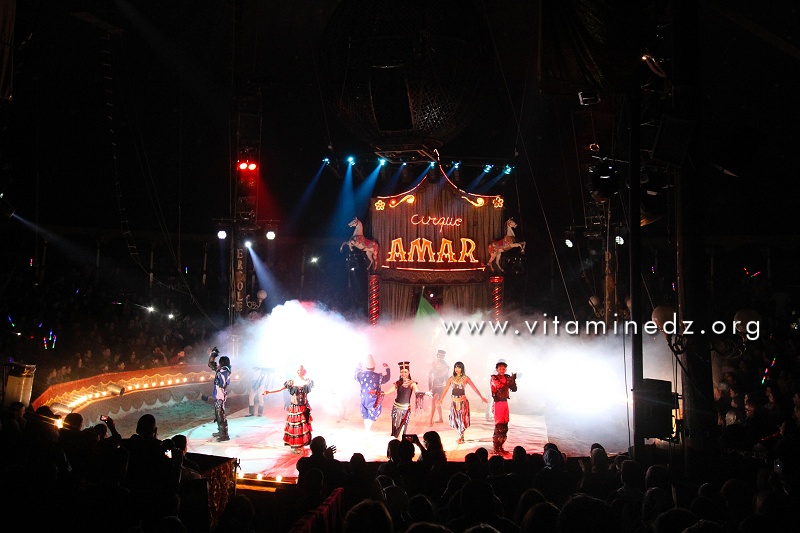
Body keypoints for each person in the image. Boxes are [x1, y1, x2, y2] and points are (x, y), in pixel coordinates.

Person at [263, 364, 314, 453]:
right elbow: (280, 388)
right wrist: (269, 391)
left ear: (304, 371)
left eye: (301, 370)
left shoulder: (307, 382)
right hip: (295, 408)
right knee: (296, 427)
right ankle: (296, 445)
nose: (299, 371)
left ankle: (301, 444)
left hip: (304, 407)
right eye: (298, 370)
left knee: (303, 427)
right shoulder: (291, 382)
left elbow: (318, 387)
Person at [438, 361, 488, 443]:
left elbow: (474, 388)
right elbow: (446, 389)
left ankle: (460, 436)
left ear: (462, 368)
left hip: (463, 401)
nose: (457, 369)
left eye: (459, 367)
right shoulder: (451, 379)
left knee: (462, 419)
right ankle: (461, 435)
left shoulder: (466, 378)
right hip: (454, 401)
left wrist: (481, 397)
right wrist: (441, 399)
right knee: (456, 419)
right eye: (456, 367)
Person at [374, 361, 422, 439]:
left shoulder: (412, 383)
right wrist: (377, 393)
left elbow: (417, 392)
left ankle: (400, 443)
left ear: (409, 372)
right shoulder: (398, 383)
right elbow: (387, 392)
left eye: (405, 372)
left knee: (402, 431)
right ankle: (397, 443)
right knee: (396, 430)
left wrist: (423, 394)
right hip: (396, 408)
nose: (404, 374)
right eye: (402, 372)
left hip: (405, 410)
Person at [355, 354, 391, 431]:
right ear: (374, 367)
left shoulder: (361, 375)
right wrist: (387, 368)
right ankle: (367, 429)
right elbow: (387, 378)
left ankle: (366, 429)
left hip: (364, 397)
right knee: (373, 412)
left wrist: (359, 367)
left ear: (366, 367)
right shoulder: (378, 376)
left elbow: (355, 375)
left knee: (365, 413)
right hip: (373, 399)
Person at [490, 359, 517, 455]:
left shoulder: (507, 377)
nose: (502, 370)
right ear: (497, 369)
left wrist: (513, 381)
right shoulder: (494, 378)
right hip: (498, 403)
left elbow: (514, 389)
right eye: (500, 369)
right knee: (499, 426)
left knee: (505, 426)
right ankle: (496, 448)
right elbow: (500, 386)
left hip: (505, 402)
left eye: (504, 369)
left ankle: (501, 447)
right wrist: (509, 381)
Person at [208, 346, 231, 442]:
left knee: (220, 414)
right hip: (218, 394)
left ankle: (224, 434)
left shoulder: (225, 370)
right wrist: (213, 355)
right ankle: (221, 431)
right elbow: (210, 364)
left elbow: (221, 378)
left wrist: (217, 367)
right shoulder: (222, 370)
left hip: (220, 395)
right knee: (218, 414)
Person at [428, 350, 450, 426]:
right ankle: (440, 419)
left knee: (434, 401)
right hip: (435, 386)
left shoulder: (445, 366)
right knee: (437, 402)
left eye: (440, 356)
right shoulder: (435, 364)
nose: (439, 357)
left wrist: (434, 368)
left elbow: (439, 375)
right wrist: (430, 387)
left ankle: (431, 420)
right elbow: (431, 376)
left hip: (441, 386)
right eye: (438, 355)